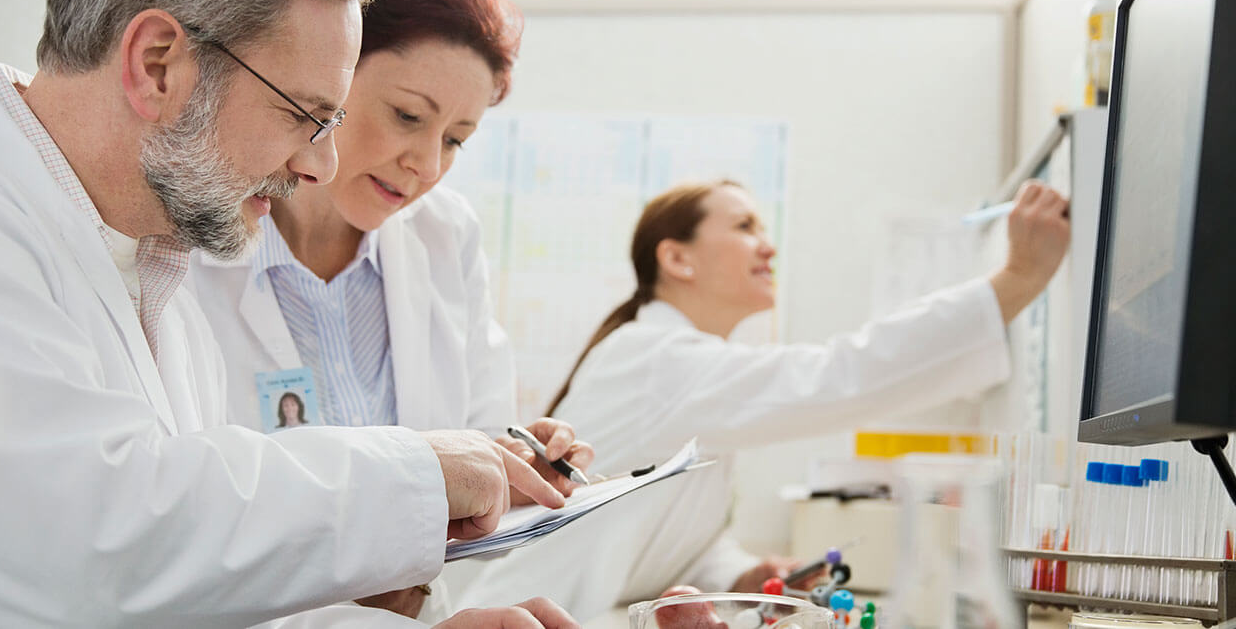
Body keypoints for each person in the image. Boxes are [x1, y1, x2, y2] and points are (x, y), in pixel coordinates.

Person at [0, 0, 579, 627]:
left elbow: (189, 600)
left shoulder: (156, 284)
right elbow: (88, 542)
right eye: (306, 116)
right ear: (158, 63)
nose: (321, 167)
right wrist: (416, 470)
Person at [186, 0, 594, 623]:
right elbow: (187, 519)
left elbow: (470, 450)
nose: (427, 165)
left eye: (457, 138)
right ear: (329, 75)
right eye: (408, 116)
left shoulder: (444, 236)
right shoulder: (195, 245)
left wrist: (517, 468)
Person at [452, 178, 1070, 620]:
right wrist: (1015, 282)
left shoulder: (681, 366)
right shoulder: (657, 357)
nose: (767, 246)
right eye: (745, 227)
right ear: (676, 258)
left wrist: (737, 575)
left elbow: (660, 525)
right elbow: (840, 375)